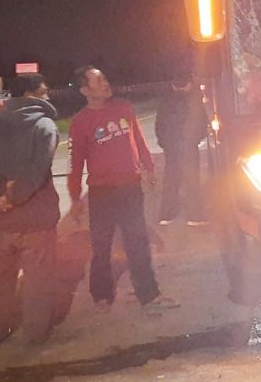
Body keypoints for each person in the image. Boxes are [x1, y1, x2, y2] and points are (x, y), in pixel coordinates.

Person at [68, 65, 180, 314]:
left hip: (130, 189)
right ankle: (101, 295)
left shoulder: (124, 109)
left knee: (137, 243)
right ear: (85, 89)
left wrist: (149, 168)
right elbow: (75, 164)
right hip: (101, 193)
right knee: (101, 247)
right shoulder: (81, 122)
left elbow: (138, 140)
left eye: (105, 78)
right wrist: (75, 198)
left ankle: (149, 294)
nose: (106, 83)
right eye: (99, 81)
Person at [0, 73, 61, 344]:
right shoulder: (44, 127)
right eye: (43, 92)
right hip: (35, 220)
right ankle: (36, 332)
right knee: (38, 279)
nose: (47, 97)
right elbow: (37, 171)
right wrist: (14, 195)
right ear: (29, 95)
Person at [155, 72, 209, 226]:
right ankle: (195, 215)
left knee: (171, 179)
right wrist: (195, 140)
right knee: (192, 180)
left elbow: (159, 125)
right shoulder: (193, 101)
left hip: (171, 146)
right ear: (189, 84)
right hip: (188, 146)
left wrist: (164, 143)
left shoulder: (165, 101)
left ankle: (167, 214)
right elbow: (201, 123)